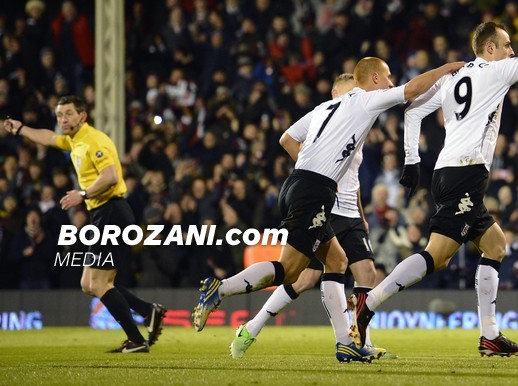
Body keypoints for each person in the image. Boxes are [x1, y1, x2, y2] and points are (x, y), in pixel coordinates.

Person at [349, 0, 518, 357]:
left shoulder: (453, 77)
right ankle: (371, 303)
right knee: (438, 256)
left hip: (449, 171)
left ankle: (490, 335)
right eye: (506, 45)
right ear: (490, 48)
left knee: (495, 245)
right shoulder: (497, 71)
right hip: (465, 173)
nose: (512, 50)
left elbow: (412, 113)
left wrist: (413, 160)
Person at [192, 58, 464, 361]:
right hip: (314, 191)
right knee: (290, 271)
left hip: (300, 185)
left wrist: (312, 167)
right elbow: (411, 90)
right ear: (373, 78)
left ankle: (346, 342)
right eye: (387, 77)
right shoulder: (364, 100)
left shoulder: (324, 108)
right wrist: (446, 68)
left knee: (337, 260)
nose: (390, 83)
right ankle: (221, 289)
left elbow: (290, 138)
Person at [230, 74, 392, 362]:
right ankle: (252, 327)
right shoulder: (324, 122)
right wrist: (310, 165)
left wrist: (362, 214)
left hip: (351, 214)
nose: (352, 97)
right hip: (326, 209)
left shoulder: (357, 122)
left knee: (367, 272)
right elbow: (288, 140)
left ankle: (359, 340)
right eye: (346, 92)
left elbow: (351, 178)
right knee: (304, 278)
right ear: (333, 93)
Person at [4, 96, 166, 353]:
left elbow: (111, 176)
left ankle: (136, 339)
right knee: (89, 284)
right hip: (102, 213)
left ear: (83, 115)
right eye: (59, 115)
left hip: (111, 211)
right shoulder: (74, 140)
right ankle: (147, 311)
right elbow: (48, 137)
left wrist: (83, 194)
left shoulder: (94, 140)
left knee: (99, 284)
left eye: (68, 113)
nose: (63, 120)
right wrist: (21, 129)